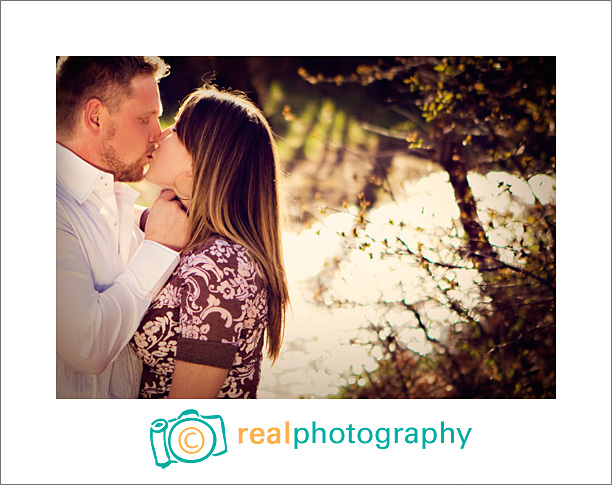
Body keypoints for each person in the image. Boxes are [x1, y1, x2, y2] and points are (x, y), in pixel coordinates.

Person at [130, 85, 290, 398]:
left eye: (176, 128)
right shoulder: (190, 233)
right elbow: (112, 214)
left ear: (195, 168)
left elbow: (190, 418)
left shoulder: (221, 267)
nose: (160, 135)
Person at [56, 57, 190, 398]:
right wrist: (158, 249)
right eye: (145, 119)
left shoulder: (111, 201)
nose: (158, 134)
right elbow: (87, 346)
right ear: (96, 117)